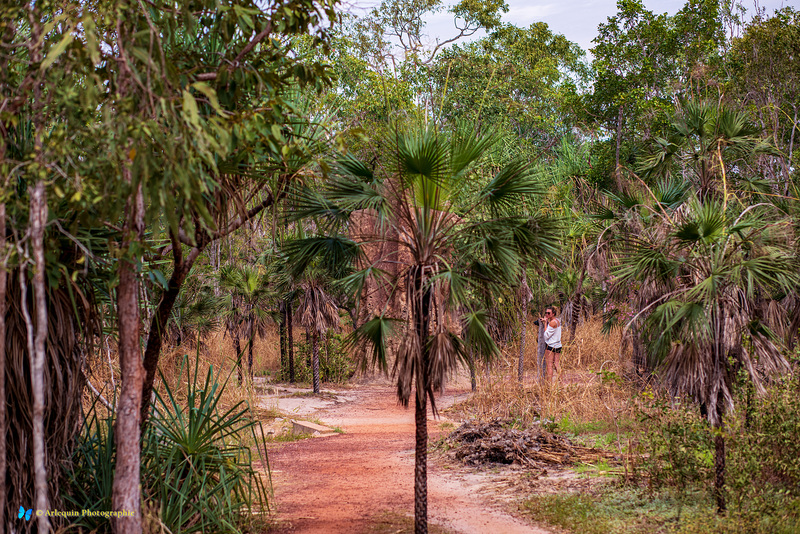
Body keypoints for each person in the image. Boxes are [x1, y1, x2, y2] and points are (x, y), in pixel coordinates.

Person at [540, 305, 562, 381]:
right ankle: (561, 382)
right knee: (556, 364)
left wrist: (545, 323)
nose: (547, 314)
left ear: (553, 314)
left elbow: (546, 335)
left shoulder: (551, 323)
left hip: (551, 346)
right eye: (546, 313)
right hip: (558, 345)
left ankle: (549, 385)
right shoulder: (557, 321)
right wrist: (547, 321)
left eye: (549, 313)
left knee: (549, 365)